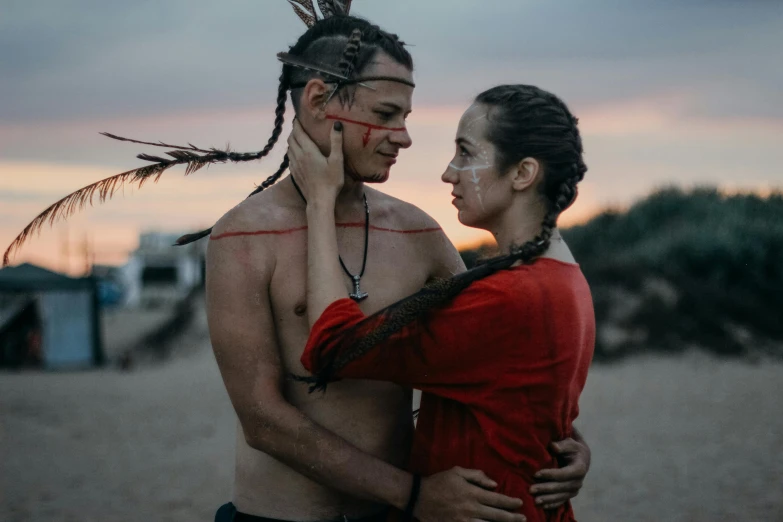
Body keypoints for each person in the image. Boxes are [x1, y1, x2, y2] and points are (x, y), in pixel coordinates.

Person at [2, 4, 592, 521]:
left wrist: (565, 444)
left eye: (406, 118)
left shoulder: (417, 231)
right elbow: (263, 419)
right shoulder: (243, 238)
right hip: (286, 518)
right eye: (386, 115)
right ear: (318, 100)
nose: (405, 137)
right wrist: (413, 494)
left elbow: (492, 364)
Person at [288, 83, 594, 522]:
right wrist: (573, 444)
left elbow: (335, 348)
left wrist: (319, 203)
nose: (449, 172)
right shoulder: (563, 277)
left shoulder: (510, 296)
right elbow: (520, 399)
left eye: (466, 154)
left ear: (523, 174)